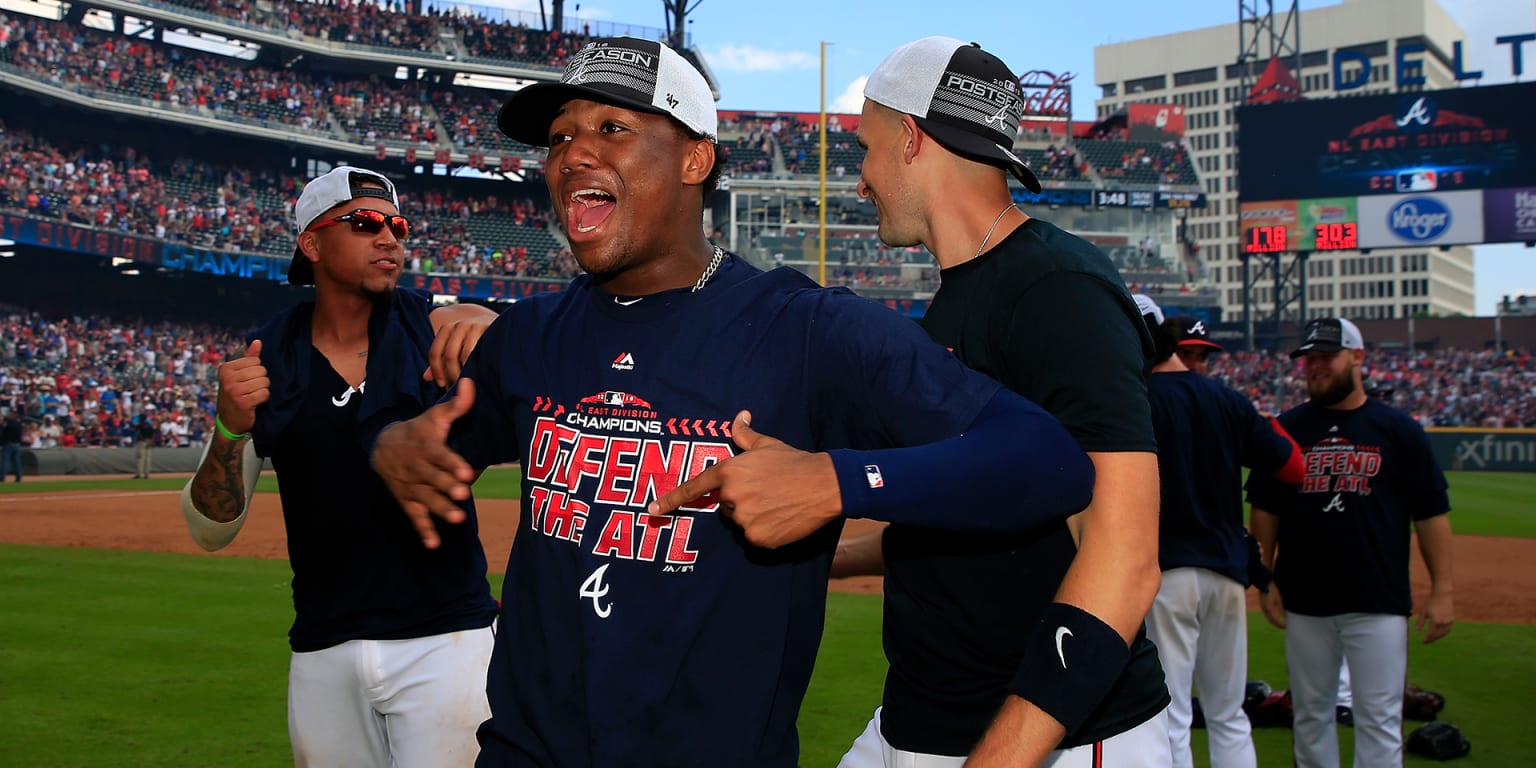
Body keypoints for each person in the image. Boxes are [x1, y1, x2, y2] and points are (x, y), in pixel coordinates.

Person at [368, 36, 1096, 767]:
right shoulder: (529, 335)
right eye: (560, 138)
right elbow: (407, 433)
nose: (574, 154)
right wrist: (391, 446)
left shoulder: (808, 330)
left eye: (611, 129)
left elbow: (1047, 461)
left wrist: (839, 481)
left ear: (695, 159)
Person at [832, 37, 1170, 768]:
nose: (860, 179)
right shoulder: (963, 295)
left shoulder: (1057, 287)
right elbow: (979, 526)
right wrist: (814, 546)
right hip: (921, 718)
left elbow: (1125, 554)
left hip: (1055, 736)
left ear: (911, 138)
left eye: (866, 147)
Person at [181, 165, 501, 767]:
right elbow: (211, 528)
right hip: (323, 648)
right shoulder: (267, 358)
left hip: (445, 639)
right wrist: (228, 428)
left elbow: (532, 367)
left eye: (398, 227)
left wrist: (499, 329)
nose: (390, 239)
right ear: (312, 243)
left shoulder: (436, 330)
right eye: (365, 223)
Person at [1247, 317, 1456, 768]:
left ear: (1357, 357)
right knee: (1309, 715)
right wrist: (1265, 577)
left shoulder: (1398, 430)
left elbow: (1431, 513)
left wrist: (1443, 590)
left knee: (1379, 719)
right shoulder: (1286, 429)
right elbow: (1265, 508)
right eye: (1309, 359)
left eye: (1326, 356)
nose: (1315, 366)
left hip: (1378, 600)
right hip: (1305, 600)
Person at [1138, 297, 1303, 768]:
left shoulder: (1134, 401)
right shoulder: (1227, 400)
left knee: (1170, 716)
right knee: (1228, 714)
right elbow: (1293, 467)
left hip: (1167, 573)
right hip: (1227, 574)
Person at [132, 406, 157, 478]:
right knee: (148, 458)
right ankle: (147, 474)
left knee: (140, 458)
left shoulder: (139, 425)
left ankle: (139, 474)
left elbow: (138, 434)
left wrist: (144, 440)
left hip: (142, 442)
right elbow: (153, 433)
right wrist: (151, 441)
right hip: (149, 442)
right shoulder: (149, 425)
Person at [1, 410, 23, 481]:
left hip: (8, 444)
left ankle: (2, 477)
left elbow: (3, 430)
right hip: (17, 444)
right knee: (17, 461)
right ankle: (19, 477)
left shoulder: (9, 424)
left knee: (5, 461)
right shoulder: (18, 424)